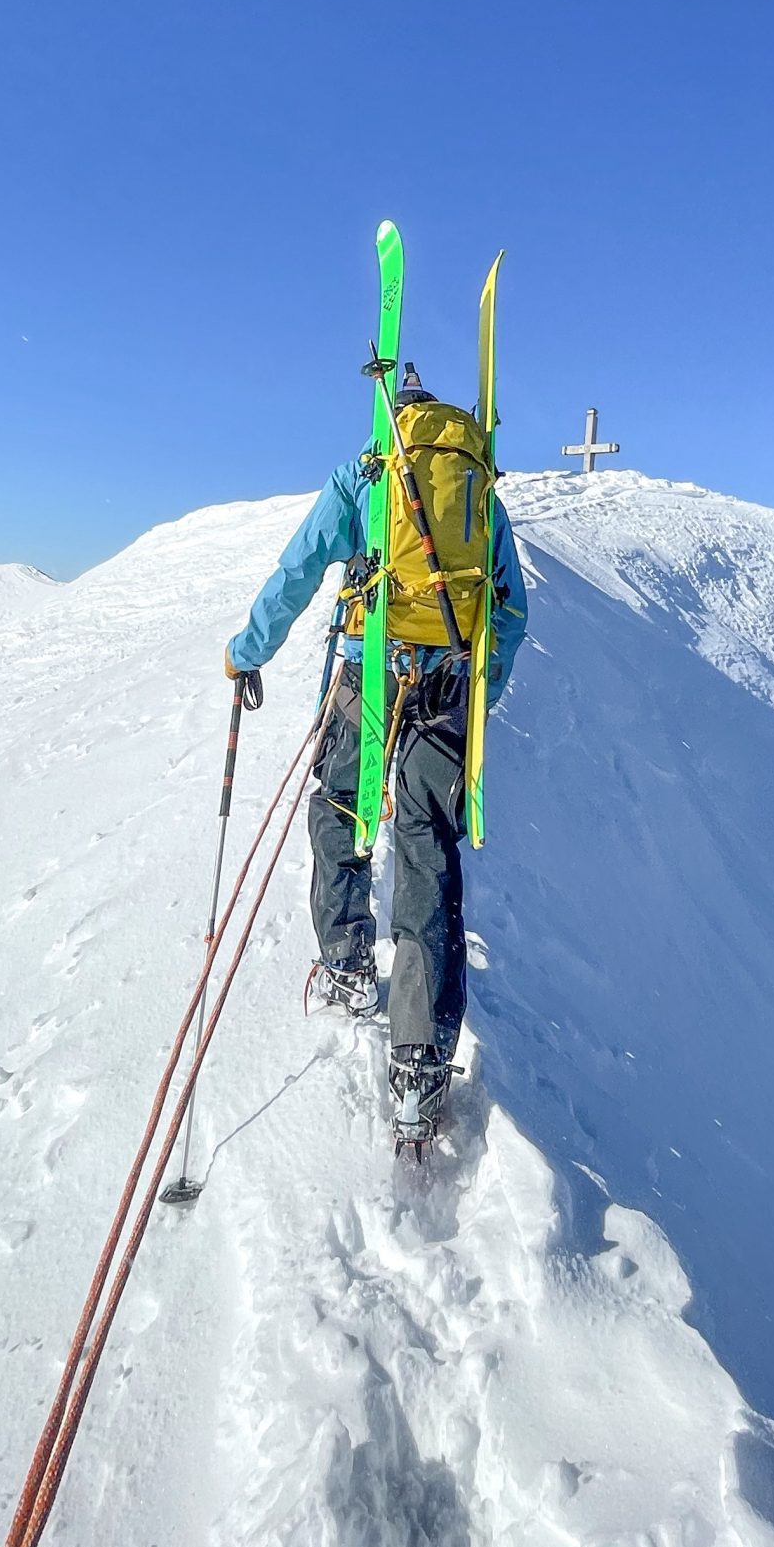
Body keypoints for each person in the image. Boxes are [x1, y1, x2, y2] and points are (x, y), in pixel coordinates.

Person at [224, 366, 527, 1141]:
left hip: (369, 668)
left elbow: (298, 570)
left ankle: (350, 965)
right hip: (449, 679)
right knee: (425, 847)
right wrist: (476, 702)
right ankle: (418, 1062)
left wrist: (246, 650)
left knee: (338, 805)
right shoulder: (478, 487)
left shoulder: (363, 475)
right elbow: (511, 609)